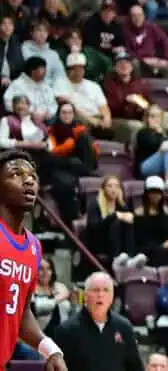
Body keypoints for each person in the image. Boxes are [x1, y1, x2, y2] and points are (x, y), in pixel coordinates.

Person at [0, 150, 67, 369]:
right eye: (16, 174)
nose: (28, 180)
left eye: (33, 176)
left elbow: (21, 311)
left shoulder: (33, 246)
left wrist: (51, 350)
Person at [52, 271, 141, 371]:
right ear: (85, 295)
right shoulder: (67, 330)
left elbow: (135, 367)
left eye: (106, 290)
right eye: (95, 290)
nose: (101, 295)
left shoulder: (124, 327)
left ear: (112, 296)